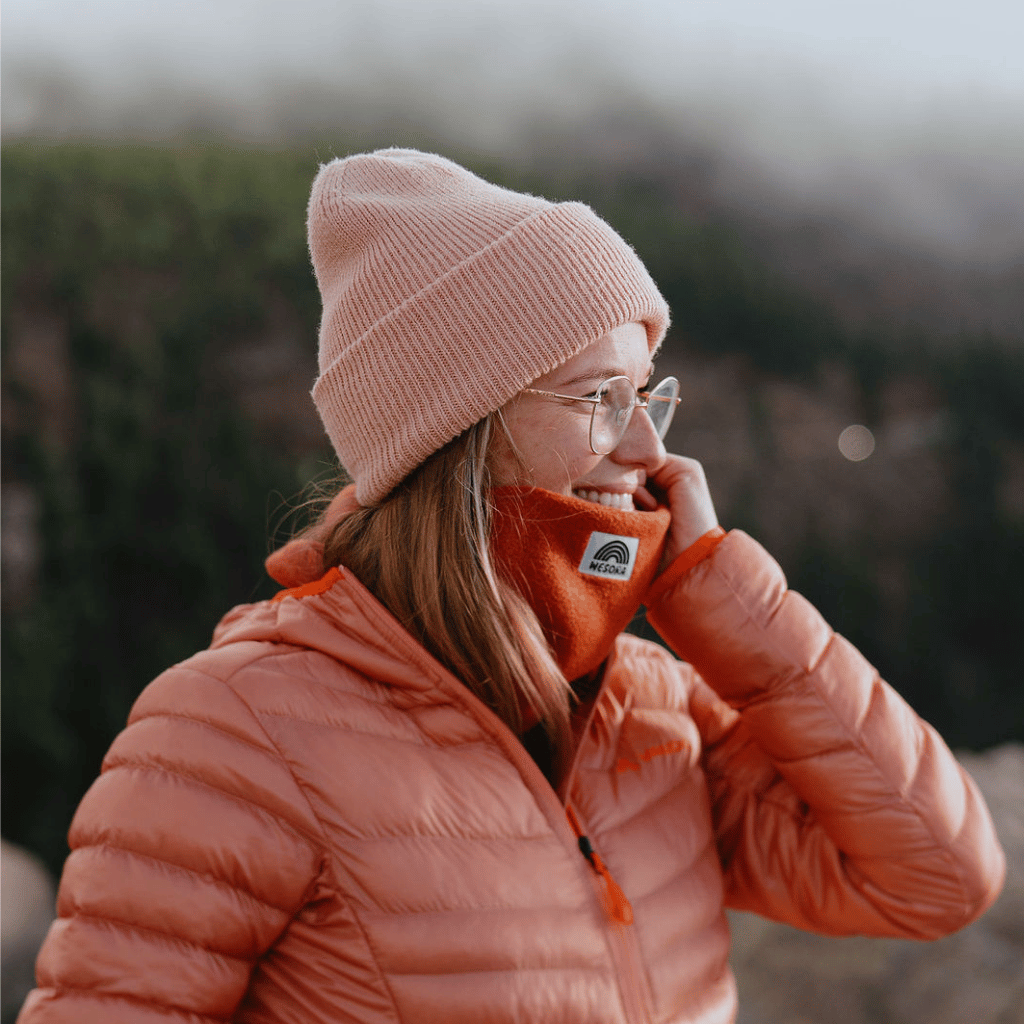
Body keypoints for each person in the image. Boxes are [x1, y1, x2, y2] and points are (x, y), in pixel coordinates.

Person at [20, 149, 1004, 1024]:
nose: (648, 447)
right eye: (596, 398)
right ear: (458, 431)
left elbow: (936, 880)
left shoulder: (650, 707)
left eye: (647, 389)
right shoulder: (235, 729)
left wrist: (727, 603)